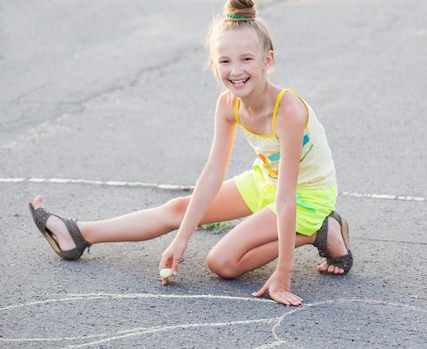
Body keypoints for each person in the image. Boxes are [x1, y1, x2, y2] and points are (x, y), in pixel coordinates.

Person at [28, 0, 352, 306]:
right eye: (225, 61)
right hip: (266, 179)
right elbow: (213, 172)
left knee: (222, 262)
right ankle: (79, 234)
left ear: (268, 60)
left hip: (306, 196)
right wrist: (181, 239)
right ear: (214, 65)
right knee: (177, 209)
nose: (235, 71)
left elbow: (285, 200)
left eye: (246, 59)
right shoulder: (228, 104)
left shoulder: (288, 111)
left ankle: (318, 232)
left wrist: (283, 273)